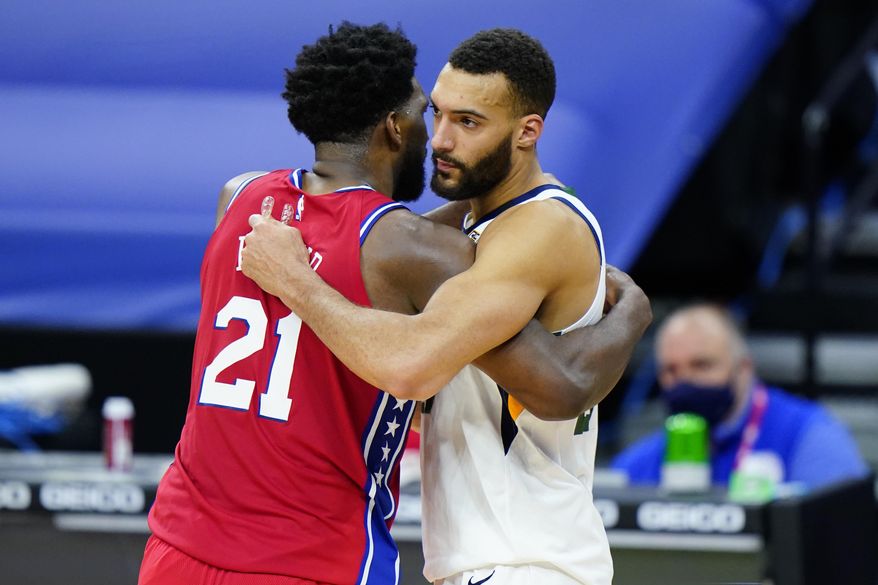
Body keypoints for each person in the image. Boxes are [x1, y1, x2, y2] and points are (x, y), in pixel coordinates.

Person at [141, 23, 651, 585]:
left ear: (528, 131)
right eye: (433, 114)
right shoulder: (414, 248)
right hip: (324, 554)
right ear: (394, 126)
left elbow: (562, 386)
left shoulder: (242, 199)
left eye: (467, 122)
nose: (437, 140)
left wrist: (635, 308)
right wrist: (634, 309)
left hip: (519, 560)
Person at [612, 303, 868, 490]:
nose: (685, 381)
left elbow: (843, 535)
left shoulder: (807, 434)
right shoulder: (649, 456)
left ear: (744, 368)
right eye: (671, 370)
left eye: (702, 365)